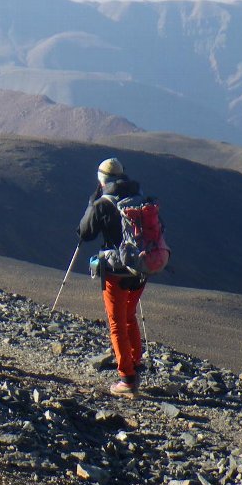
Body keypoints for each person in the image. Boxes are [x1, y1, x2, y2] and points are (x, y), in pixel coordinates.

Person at [78, 157, 146, 396]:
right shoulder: (139, 198)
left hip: (115, 271)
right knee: (129, 317)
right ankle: (136, 364)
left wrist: (91, 204)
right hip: (140, 268)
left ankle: (127, 379)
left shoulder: (103, 203)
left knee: (116, 322)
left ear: (102, 179)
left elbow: (85, 233)